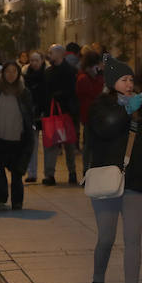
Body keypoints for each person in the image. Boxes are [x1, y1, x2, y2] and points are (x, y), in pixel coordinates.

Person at [85, 58, 142, 283]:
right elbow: (105, 127)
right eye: (123, 80)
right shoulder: (100, 107)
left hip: (135, 180)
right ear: (111, 83)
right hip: (107, 180)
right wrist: (127, 109)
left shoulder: (141, 107)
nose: (129, 84)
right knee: (106, 238)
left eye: (131, 79)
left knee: (133, 239)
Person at [0, 61, 35, 210]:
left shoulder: (24, 92)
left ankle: (17, 201)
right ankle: (0, 199)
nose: (11, 74)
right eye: (8, 71)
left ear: (18, 74)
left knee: (17, 173)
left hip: (18, 139)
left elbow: (29, 116)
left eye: (14, 71)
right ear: (3, 73)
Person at [41, 44, 81, 185]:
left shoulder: (70, 71)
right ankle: (50, 174)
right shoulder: (48, 72)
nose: (49, 54)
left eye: (51, 52)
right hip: (53, 113)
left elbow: (72, 92)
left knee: (68, 144)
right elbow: (45, 93)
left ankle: (72, 172)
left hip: (66, 113)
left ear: (59, 54)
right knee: (51, 145)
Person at [75, 50, 105, 171]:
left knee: (96, 146)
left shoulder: (98, 77)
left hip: (98, 116)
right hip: (89, 116)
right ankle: (87, 172)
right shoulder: (83, 79)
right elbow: (95, 93)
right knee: (88, 145)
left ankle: (94, 170)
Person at [23, 50, 48, 182]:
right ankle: (32, 173)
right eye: (31, 60)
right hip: (31, 114)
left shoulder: (47, 74)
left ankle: (48, 173)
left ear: (42, 60)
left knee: (47, 145)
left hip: (45, 113)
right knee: (32, 144)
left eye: (36, 60)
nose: (33, 63)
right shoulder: (26, 75)